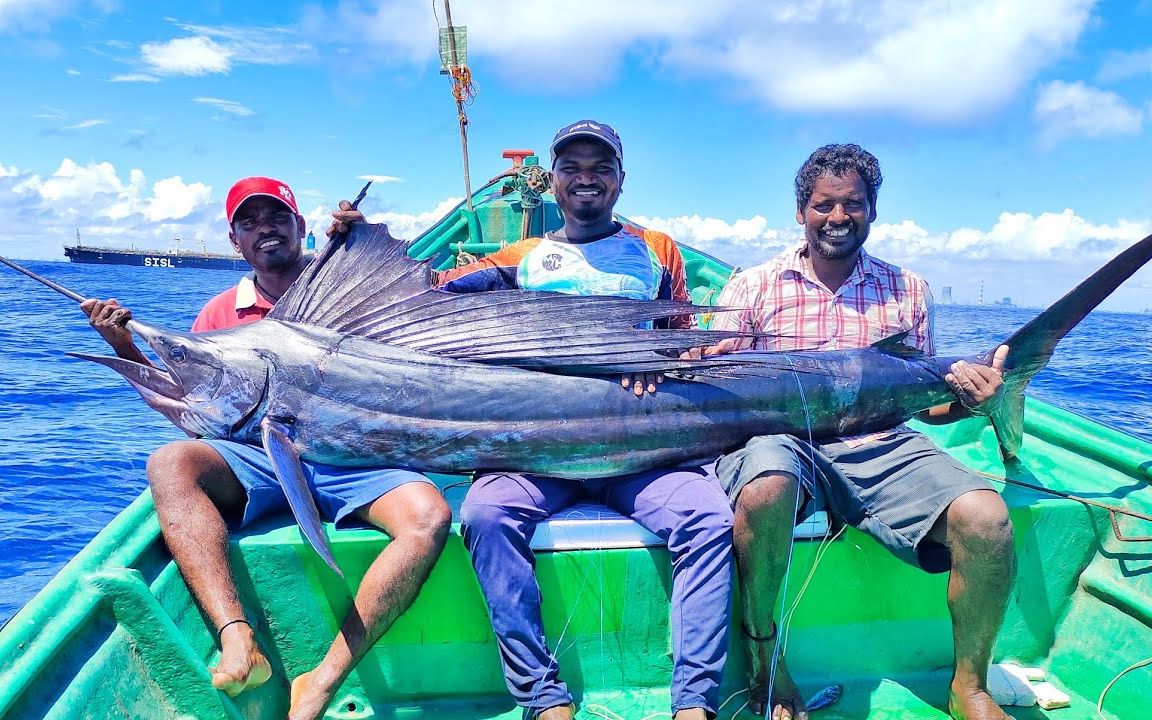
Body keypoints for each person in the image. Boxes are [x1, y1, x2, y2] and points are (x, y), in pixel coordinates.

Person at [81, 176, 453, 720]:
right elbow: (200, 411)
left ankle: (321, 682)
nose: (265, 230)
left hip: (358, 458)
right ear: (236, 241)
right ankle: (237, 638)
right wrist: (124, 345)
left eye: (277, 217)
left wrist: (355, 249)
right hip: (265, 455)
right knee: (169, 463)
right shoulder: (217, 315)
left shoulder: (343, 286)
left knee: (428, 516)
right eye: (249, 223)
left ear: (300, 227)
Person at [435, 121, 735, 720]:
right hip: (541, 452)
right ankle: (543, 700)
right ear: (553, 182)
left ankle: (694, 705)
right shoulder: (523, 257)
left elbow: (684, 342)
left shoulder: (658, 250)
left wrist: (658, 357)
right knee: (485, 513)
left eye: (601, 166)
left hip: (638, 448)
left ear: (621, 180)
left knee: (705, 517)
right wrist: (351, 242)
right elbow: (433, 295)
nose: (586, 177)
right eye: (572, 166)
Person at [706, 144, 1014, 720]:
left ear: (873, 211)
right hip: (782, 440)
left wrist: (974, 402)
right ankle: (764, 660)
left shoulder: (907, 290)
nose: (838, 217)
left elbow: (926, 408)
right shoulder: (753, 285)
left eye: (854, 204)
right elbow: (720, 382)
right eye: (824, 205)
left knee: (989, 519)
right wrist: (709, 355)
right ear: (801, 210)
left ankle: (969, 686)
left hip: (883, 444)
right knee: (764, 487)